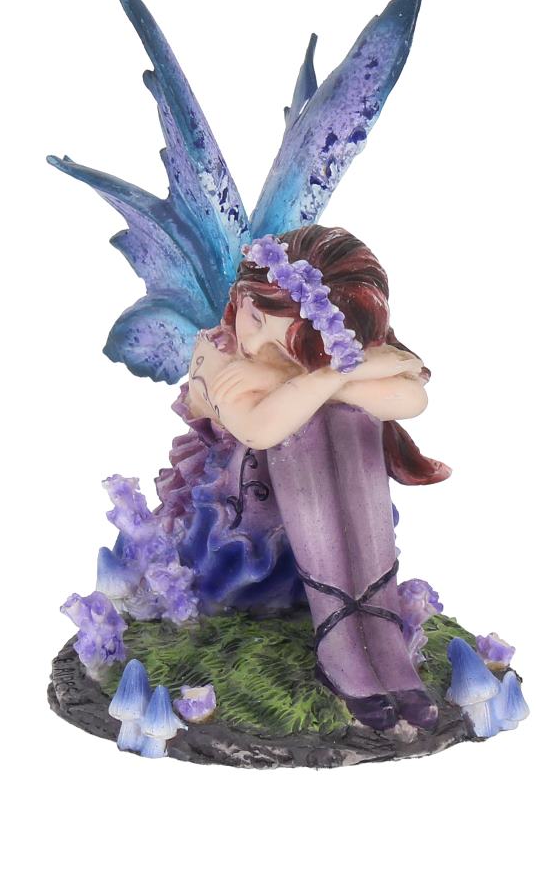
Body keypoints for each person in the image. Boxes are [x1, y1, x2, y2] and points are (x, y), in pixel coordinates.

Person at [182, 224, 450, 731]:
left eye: (282, 337)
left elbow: (411, 396)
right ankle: (339, 636)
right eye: (253, 317)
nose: (258, 341)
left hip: (336, 531)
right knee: (303, 423)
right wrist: (339, 374)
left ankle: (379, 629)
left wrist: (312, 378)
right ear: (239, 297)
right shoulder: (215, 352)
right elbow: (261, 428)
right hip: (240, 537)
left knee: (347, 417)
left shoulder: (306, 359)